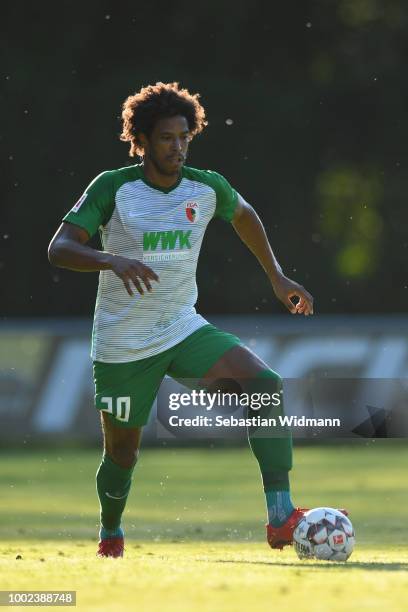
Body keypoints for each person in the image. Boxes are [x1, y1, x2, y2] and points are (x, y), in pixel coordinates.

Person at [48, 81, 317, 558]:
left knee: (265, 385)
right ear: (143, 140)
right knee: (123, 453)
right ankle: (111, 532)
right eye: (168, 138)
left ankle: (281, 516)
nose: (178, 146)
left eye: (184, 137)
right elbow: (60, 248)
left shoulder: (205, 186)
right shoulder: (114, 187)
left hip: (180, 326)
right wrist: (111, 260)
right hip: (123, 345)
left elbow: (244, 213)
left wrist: (277, 277)